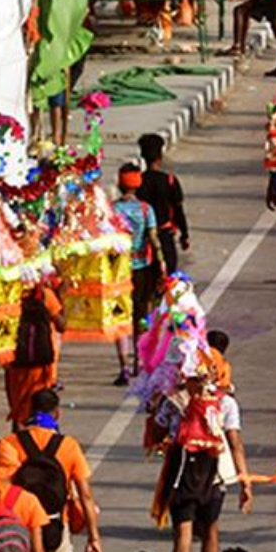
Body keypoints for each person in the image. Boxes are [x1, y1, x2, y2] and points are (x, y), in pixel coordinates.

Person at [0, 388, 105, 552]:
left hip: (21, 527)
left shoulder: (10, 443)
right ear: (57, 413)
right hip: (57, 525)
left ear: (30, 411)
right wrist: (94, 538)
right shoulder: (69, 446)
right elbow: (86, 496)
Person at [161, 372, 254, 552]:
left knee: (183, 533)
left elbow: (158, 430)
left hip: (182, 473)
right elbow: (235, 443)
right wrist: (244, 480)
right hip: (214, 472)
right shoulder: (226, 402)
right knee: (210, 528)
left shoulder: (174, 401)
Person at [112, 160, 160, 384]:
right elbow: (153, 239)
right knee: (141, 317)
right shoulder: (146, 209)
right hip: (142, 269)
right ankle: (139, 362)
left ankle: (123, 366)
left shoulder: (112, 210)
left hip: (118, 272)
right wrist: (162, 264)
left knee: (120, 318)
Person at [7, 279, 65, 425]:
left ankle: (20, 444)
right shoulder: (45, 295)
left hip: (15, 362)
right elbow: (61, 325)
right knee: (41, 409)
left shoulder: (8, 295)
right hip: (42, 366)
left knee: (19, 410)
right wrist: (61, 296)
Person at [139, 133, 190, 273]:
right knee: (168, 278)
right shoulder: (170, 181)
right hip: (164, 237)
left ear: (142, 156)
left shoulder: (137, 182)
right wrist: (184, 235)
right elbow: (178, 210)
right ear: (160, 156)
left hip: (142, 240)